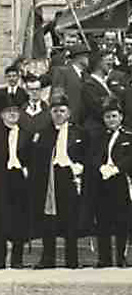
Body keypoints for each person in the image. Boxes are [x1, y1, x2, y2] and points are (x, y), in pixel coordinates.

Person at [31, 93, 86, 269]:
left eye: (62, 111)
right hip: (50, 178)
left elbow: (87, 155)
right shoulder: (43, 133)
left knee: (71, 218)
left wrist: (79, 167)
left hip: (70, 177)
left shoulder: (79, 132)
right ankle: (48, 259)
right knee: (49, 219)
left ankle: (72, 261)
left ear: (68, 112)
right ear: (50, 113)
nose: (59, 114)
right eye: (55, 111)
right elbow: (36, 160)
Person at [92, 97, 132, 268]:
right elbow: (93, 155)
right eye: (107, 117)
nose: (111, 120)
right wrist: (101, 167)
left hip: (120, 180)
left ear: (121, 117)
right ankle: (104, 258)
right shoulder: (98, 137)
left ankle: (121, 257)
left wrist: (117, 168)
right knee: (102, 221)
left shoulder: (129, 137)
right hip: (102, 181)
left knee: (121, 220)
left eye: (114, 116)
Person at [0, 101, 31, 269]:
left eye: (15, 111)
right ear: (2, 114)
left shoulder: (26, 134)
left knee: (19, 217)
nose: (12, 114)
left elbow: (31, 158)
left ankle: (17, 260)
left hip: (19, 178)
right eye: (8, 111)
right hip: (2, 177)